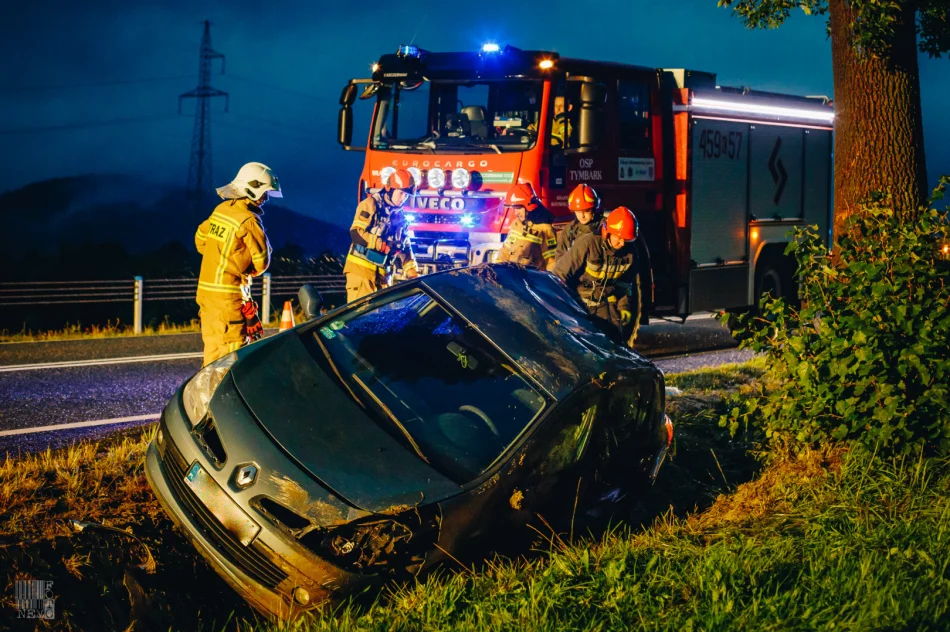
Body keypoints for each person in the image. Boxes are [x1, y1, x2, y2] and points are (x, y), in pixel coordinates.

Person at [195, 162, 278, 366]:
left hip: (206, 295)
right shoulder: (248, 221)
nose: (266, 198)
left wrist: (219, 256)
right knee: (229, 360)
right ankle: (217, 388)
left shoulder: (221, 210)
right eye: (264, 193)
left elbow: (200, 240)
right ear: (252, 188)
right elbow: (261, 263)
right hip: (229, 299)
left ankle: (207, 387)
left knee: (213, 353)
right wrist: (242, 267)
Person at [553, 206, 642, 346]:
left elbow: (625, 284)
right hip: (579, 305)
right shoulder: (587, 244)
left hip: (604, 306)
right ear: (607, 232)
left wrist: (624, 306)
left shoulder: (631, 254)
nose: (622, 243)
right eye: (618, 238)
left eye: (626, 240)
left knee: (612, 345)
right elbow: (559, 275)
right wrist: (561, 308)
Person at [344, 168, 419, 302]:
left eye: (406, 195)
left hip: (384, 276)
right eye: (401, 193)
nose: (403, 198)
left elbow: (405, 248)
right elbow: (356, 233)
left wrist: (413, 273)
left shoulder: (400, 217)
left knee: (382, 314)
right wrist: (379, 244)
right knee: (361, 313)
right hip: (361, 274)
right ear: (389, 189)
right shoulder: (370, 204)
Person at [496, 182, 558, 271]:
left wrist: (550, 278)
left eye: (519, 208)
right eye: (514, 208)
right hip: (513, 276)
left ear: (529, 206)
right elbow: (505, 251)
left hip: (532, 278)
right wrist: (497, 270)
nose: (516, 213)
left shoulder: (545, 229)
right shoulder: (516, 224)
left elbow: (551, 261)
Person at [555, 183, 603, 261]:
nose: (582, 216)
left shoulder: (604, 227)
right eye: (578, 211)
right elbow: (560, 257)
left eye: (586, 211)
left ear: (595, 208)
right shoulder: (569, 230)